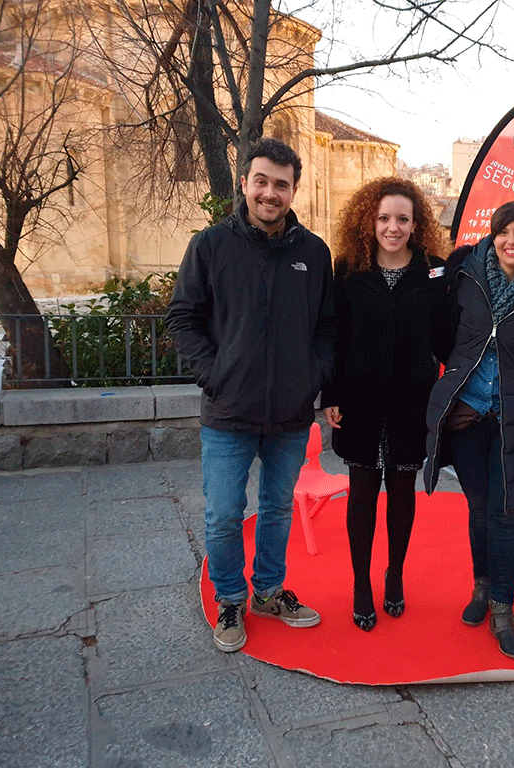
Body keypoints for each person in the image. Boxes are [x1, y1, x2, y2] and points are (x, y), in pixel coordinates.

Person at [166, 137, 334, 652]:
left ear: (293, 190)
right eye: (261, 181)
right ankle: (232, 599)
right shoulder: (211, 245)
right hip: (227, 410)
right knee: (222, 513)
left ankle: (267, 591)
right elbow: (183, 319)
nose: (270, 193)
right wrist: (215, 375)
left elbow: (327, 328)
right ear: (244, 184)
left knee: (278, 507)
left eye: (280, 184)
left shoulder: (313, 252)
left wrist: (312, 381)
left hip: (289, 413)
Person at [424, 201, 514, 660]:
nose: (513, 241)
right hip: (468, 415)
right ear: (493, 234)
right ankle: (481, 587)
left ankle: (504, 608)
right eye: (505, 232)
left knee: (506, 515)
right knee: (479, 507)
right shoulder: (465, 274)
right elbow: (444, 334)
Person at [320, 177, 450, 631]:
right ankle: (361, 583)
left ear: (416, 224)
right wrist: (330, 394)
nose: (392, 227)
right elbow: (335, 337)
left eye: (402, 219)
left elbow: (448, 337)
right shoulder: (349, 270)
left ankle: (394, 575)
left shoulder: (434, 272)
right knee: (360, 494)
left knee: (401, 494)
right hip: (359, 402)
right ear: (369, 221)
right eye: (383, 218)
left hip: (412, 404)